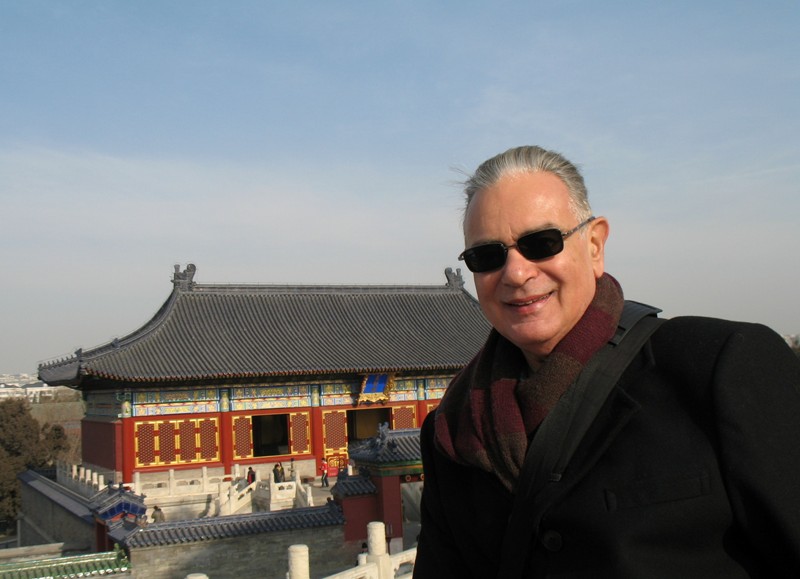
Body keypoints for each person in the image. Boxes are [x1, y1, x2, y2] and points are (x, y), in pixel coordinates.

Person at [414, 145, 800, 578]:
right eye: (487, 256)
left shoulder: (719, 368)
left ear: (594, 244)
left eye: (541, 243)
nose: (516, 273)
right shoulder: (453, 430)